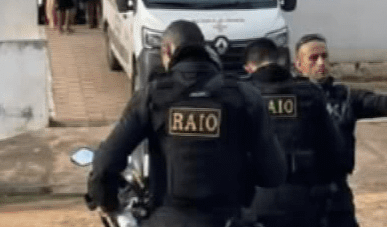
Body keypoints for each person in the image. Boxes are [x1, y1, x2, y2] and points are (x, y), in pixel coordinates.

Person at [88, 20, 287, 227]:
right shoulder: (244, 95)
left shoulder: (152, 96)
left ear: (166, 50)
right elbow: (273, 174)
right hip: (228, 219)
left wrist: (109, 204)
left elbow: (105, 163)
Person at [294, 33, 387, 227]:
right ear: (298, 65)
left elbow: (384, 102)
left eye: (324, 56)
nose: (321, 63)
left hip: (336, 189)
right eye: (313, 58)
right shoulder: (290, 100)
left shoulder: (345, 96)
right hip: (300, 192)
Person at [241, 38, 346, 227]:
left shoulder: (240, 96)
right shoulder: (310, 93)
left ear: (249, 68)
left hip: (254, 205)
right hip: (305, 203)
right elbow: (335, 153)